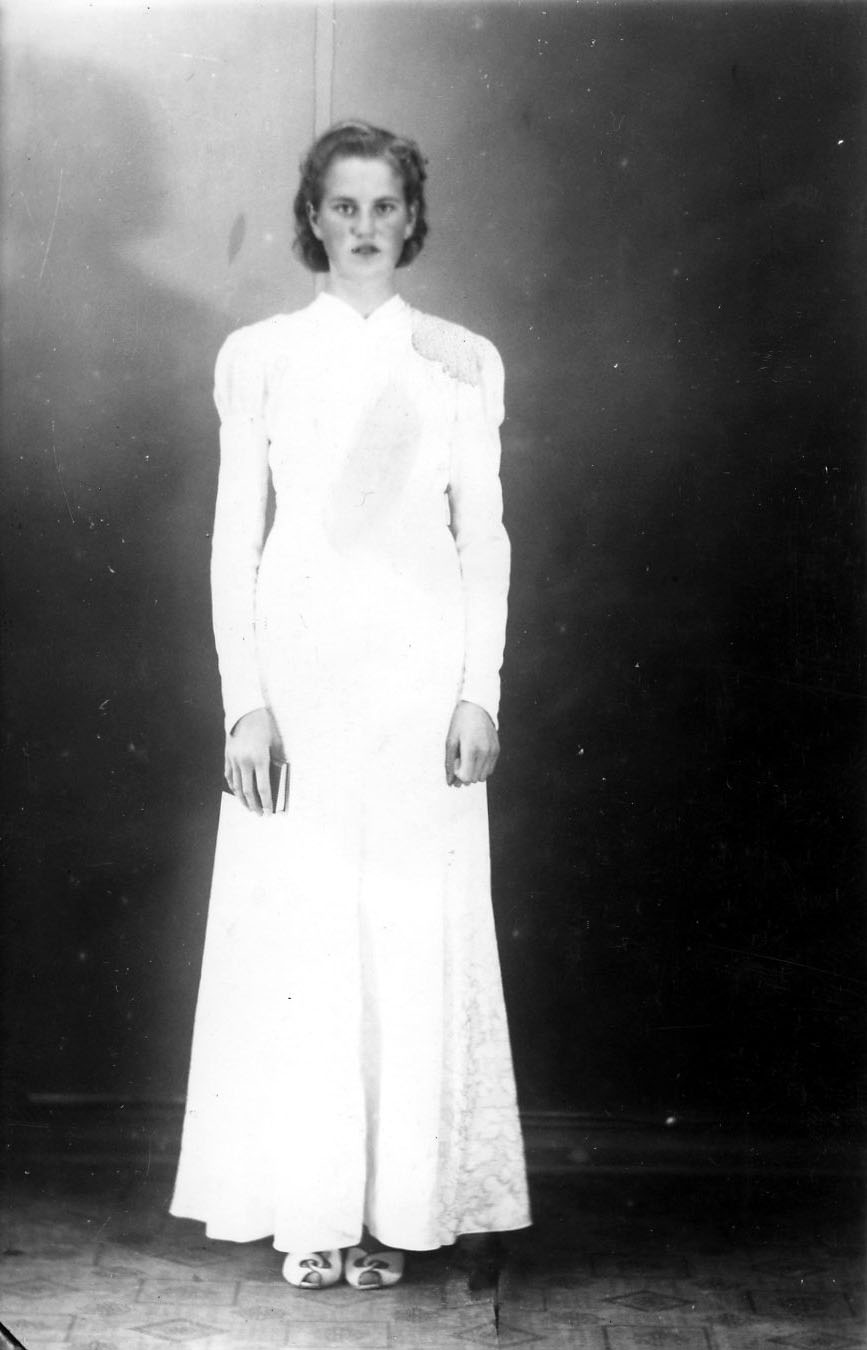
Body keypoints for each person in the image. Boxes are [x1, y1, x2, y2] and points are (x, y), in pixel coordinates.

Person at [170, 119, 531, 1290]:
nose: (365, 227)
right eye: (344, 206)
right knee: (307, 937)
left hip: (420, 680)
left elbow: (484, 543)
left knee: (407, 936)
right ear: (313, 219)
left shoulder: (461, 360)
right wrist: (246, 704)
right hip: (303, 679)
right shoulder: (261, 357)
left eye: (385, 206)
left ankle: (397, 1215)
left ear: (411, 219)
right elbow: (235, 541)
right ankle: (314, 1214)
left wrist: (478, 693)